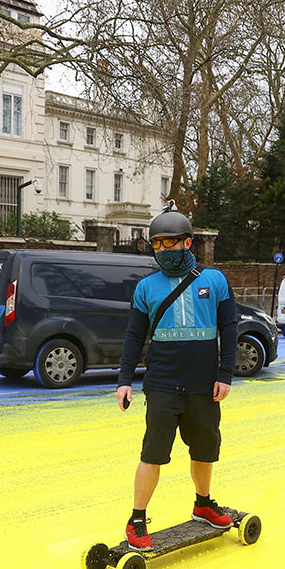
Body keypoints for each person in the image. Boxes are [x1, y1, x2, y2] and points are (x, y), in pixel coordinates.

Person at [116, 205, 240, 551]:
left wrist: (225, 373)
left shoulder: (214, 281)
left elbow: (229, 328)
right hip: (162, 383)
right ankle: (137, 519)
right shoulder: (146, 287)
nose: (162, 251)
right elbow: (133, 336)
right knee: (153, 454)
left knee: (205, 450)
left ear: (187, 242)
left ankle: (203, 504)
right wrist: (124, 380)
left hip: (204, 384)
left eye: (169, 243)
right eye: (156, 245)